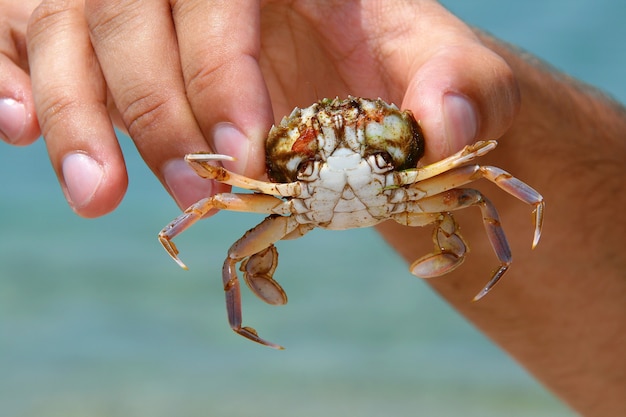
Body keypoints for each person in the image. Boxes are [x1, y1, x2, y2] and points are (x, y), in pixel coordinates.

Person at [1, 1, 625, 415]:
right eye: (316, 127)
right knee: (236, 256)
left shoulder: (424, 166)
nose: (338, 133)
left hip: (390, 192)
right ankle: (249, 323)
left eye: (360, 121)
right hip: (306, 199)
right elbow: (217, 189)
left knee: (478, 188)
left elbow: (481, 163)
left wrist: (477, 118)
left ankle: (486, 260)